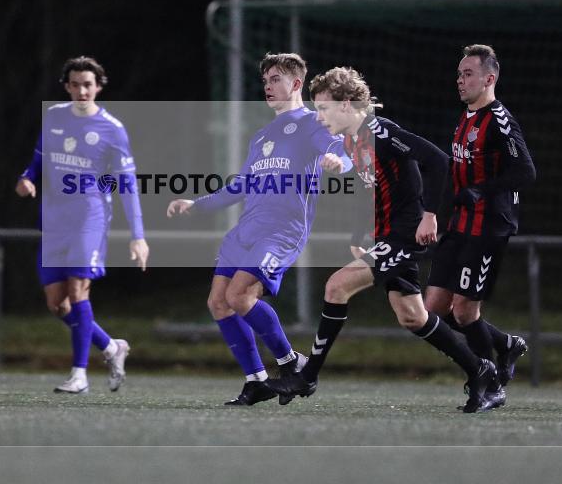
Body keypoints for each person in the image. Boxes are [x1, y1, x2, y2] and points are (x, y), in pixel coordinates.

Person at [266, 67, 497, 413]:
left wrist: (430, 214)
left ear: (346, 106)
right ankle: (481, 370)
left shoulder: (381, 132)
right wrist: (360, 233)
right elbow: (369, 187)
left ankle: (307, 376)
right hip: (387, 234)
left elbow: (438, 161)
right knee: (413, 317)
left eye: (324, 109)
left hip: (404, 233)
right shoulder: (351, 140)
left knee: (336, 286)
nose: (319, 117)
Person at [167, 52, 351, 406]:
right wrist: (196, 204)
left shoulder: (313, 123)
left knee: (240, 296)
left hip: (282, 230)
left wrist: (338, 163)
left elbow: (339, 151)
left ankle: (290, 362)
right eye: (265, 81)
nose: (268, 86)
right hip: (247, 228)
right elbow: (240, 186)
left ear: (296, 84)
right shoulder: (262, 136)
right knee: (219, 303)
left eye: (276, 79)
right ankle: (256, 380)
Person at [16, 56, 148, 394]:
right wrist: (27, 179)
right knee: (57, 304)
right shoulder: (55, 116)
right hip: (54, 220)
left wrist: (138, 236)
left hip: (90, 218)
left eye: (88, 84)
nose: (81, 90)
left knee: (77, 293)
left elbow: (128, 185)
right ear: (67, 86)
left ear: (99, 86)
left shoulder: (112, 129)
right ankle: (110, 346)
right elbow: (38, 159)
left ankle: (79, 374)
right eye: (75, 84)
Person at [424, 44, 536, 410]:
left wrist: (481, 191)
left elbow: (525, 171)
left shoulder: (499, 119)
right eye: (459, 74)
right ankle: (504, 344)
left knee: (465, 312)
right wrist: (436, 216)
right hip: (459, 225)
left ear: (489, 78)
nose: (460, 80)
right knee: (434, 307)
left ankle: (489, 385)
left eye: (468, 74)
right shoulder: (465, 118)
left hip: (489, 227)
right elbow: (454, 175)